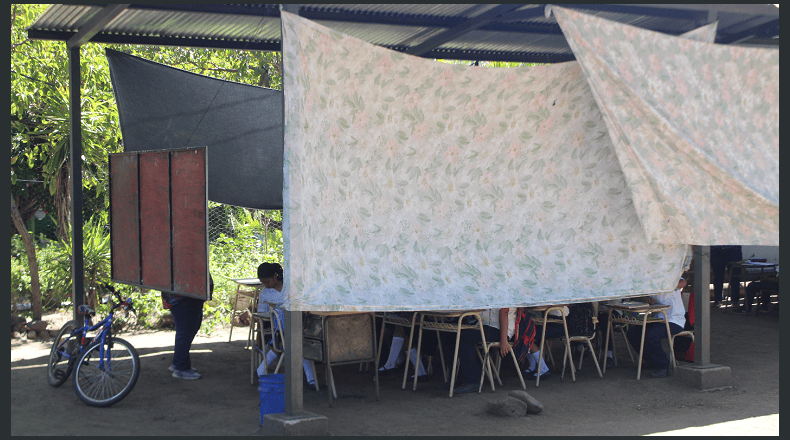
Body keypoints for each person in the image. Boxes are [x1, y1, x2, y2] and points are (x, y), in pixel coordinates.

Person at [255, 262, 316, 387]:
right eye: (263, 283)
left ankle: (261, 369)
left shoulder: (290, 287)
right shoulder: (265, 293)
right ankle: (311, 378)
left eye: (267, 282)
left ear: (275, 276)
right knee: (294, 334)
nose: (265, 285)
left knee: (294, 333)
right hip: (276, 329)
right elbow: (262, 315)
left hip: (295, 327)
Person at [437, 308, 516, 394]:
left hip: (499, 330)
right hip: (483, 326)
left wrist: (504, 340)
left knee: (464, 337)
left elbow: (504, 312)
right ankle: (455, 379)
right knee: (448, 335)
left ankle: (472, 380)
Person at [626, 277, 687, 378]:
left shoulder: (668, 274)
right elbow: (643, 296)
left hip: (674, 320)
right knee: (633, 333)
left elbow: (683, 282)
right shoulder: (649, 281)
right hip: (658, 319)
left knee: (651, 336)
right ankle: (652, 361)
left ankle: (663, 365)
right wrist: (647, 299)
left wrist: (666, 284)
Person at [163, 274, 212, 380]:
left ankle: (178, 362)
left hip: (184, 295)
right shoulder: (185, 259)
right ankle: (181, 368)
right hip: (184, 296)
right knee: (185, 332)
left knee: (187, 330)